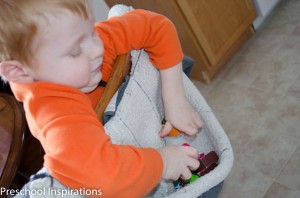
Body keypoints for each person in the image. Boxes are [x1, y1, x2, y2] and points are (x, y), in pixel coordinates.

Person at [0, 0, 202, 197]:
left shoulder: (90, 43)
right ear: (19, 71)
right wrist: (163, 163)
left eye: (91, 31)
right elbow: (107, 177)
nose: (97, 49)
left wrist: (174, 98)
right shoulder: (55, 116)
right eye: (75, 51)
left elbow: (156, 26)